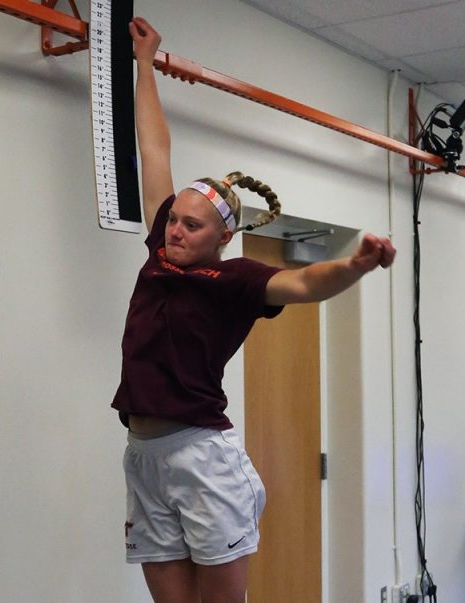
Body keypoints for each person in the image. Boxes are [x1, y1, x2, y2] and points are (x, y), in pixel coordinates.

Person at [114, 16, 396, 603]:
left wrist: (356, 264)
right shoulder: (158, 253)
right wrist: (145, 65)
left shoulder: (234, 279)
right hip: (143, 457)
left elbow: (305, 282)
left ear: (223, 236)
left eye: (192, 225)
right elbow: (154, 149)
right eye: (173, 219)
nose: (175, 230)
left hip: (200, 456)